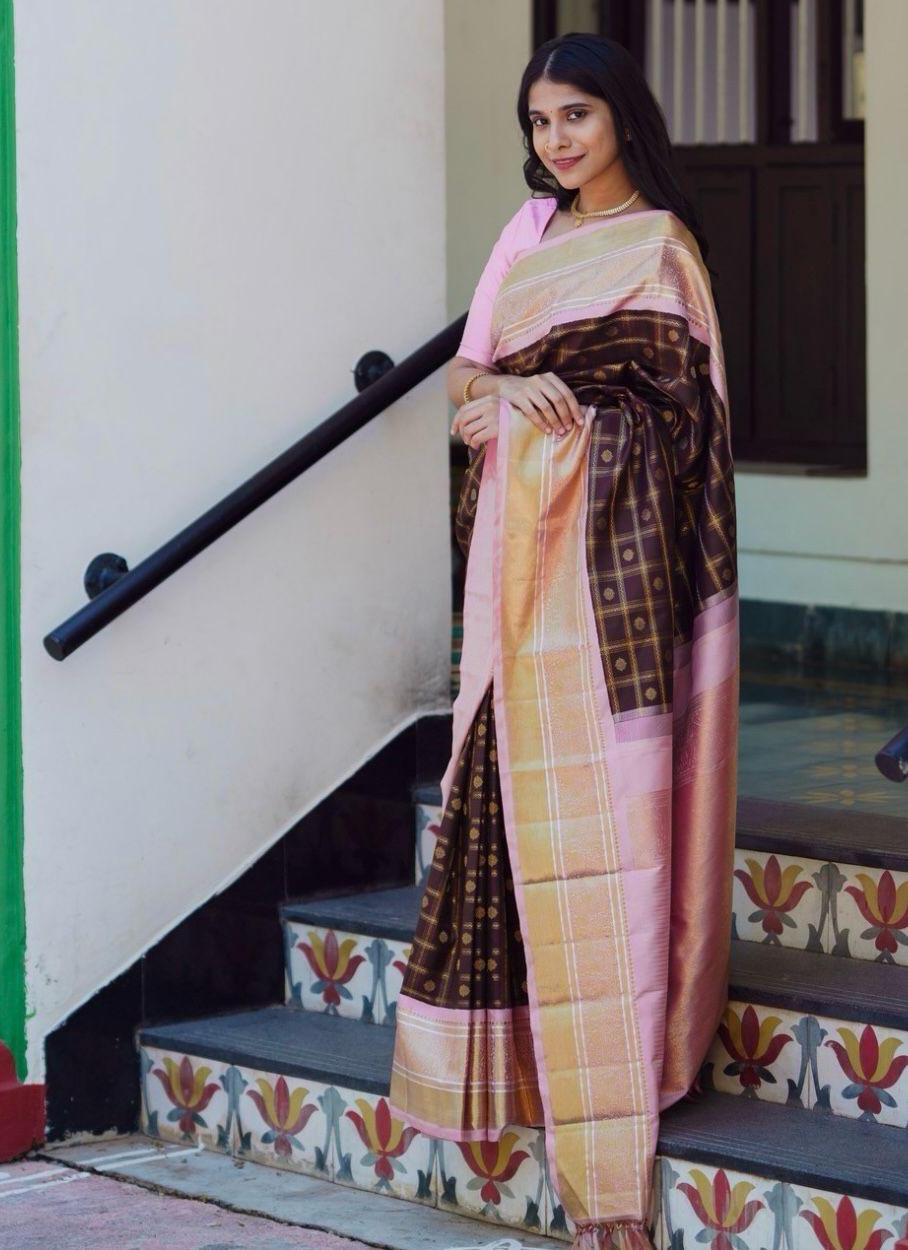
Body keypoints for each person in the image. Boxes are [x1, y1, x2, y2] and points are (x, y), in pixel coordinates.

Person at [388, 32, 739, 1250]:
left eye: (576, 116)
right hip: (512, 576)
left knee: (608, 831)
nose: (556, 142)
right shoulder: (523, 236)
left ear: (621, 118)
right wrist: (506, 399)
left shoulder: (661, 251)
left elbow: (678, 431)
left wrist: (576, 409)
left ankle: (609, 1123)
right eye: (539, 122)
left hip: (610, 596)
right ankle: (515, 1071)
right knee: (498, 796)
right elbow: (468, 382)